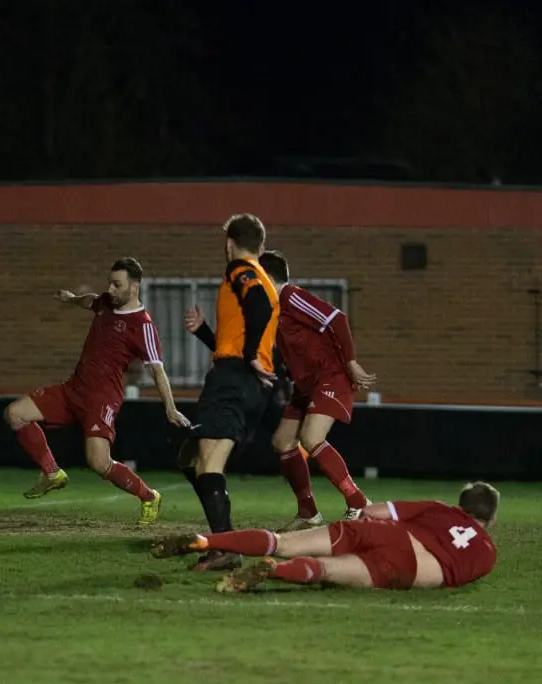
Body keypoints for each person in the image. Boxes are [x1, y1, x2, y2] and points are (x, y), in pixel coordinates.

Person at [3, 257, 191, 526]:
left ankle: (149, 496)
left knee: (98, 461)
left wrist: (170, 407)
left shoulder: (143, 324)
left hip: (102, 397)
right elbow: (90, 300)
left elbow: (157, 370)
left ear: (135, 287)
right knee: (15, 413)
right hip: (73, 389)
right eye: (110, 284)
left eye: (117, 285)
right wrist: (71, 299)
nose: (111, 290)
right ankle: (52, 473)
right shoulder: (105, 302)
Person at [150, 482, 499, 592]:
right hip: (406, 566)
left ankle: (207, 542)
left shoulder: (440, 509)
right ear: (491, 519)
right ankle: (274, 571)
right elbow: (454, 579)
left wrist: (361, 527)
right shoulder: (487, 555)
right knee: (325, 570)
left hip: (385, 531)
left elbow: (374, 510)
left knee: (281, 540)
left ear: (461, 505)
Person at [176, 214, 279, 571]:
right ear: (261, 246)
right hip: (242, 381)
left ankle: (226, 546)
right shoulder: (262, 275)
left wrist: (249, 356)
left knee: (207, 462)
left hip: (234, 380)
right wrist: (205, 332)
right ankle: (224, 538)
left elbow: (259, 309)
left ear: (229, 243)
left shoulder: (241, 269)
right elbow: (235, 337)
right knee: (190, 460)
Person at [257, 250, 377, 530]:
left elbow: (337, 319)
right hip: (306, 385)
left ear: (267, 278)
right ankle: (308, 513)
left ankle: (359, 502)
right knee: (282, 442)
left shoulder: (290, 296)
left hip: (330, 376)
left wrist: (351, 363)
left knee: (311, 438)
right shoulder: (273, 310)